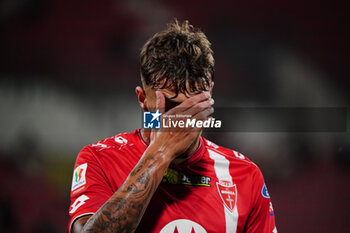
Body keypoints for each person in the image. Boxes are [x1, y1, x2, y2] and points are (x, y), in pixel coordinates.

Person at [68, 20, 277, 233]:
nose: (183, 119)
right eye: (172, 105)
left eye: (195, 103)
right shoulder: (100, 160)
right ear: (143, 99)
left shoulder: (245, 176)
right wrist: (160, 153)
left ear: (211, 93)